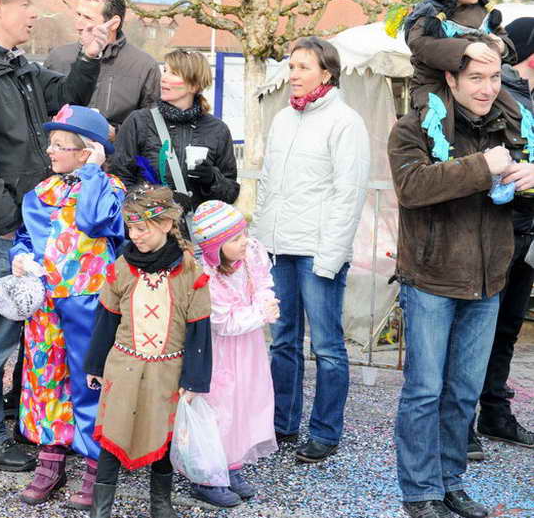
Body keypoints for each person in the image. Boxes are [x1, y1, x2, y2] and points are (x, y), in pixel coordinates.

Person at [0, 0, 115, 472]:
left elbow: (67, 99)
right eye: (24, 4)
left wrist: (90, 55)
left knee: (33, 328)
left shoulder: (16, 66)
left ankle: (20, 420)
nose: (34, 13)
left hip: (32, 226)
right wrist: (11, 226)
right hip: (4, 227)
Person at [388, 34, 534, 518]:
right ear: (451, 79)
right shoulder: (412, 127)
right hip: (431, 279)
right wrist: (481, 166)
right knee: (424, 392)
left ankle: (450, 483)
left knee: (464, 393)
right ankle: (420, 492)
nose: (487, 88)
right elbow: (411, 187)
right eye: (475, 78)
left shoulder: (512, 127)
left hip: (488, 282)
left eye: (493, 77)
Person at [254, 36, 370, 463]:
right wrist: (259, 241)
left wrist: (331, 256)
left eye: (303, 67)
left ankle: (325, 431)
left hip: (318, 250)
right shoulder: (283, 119)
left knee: (326, 346)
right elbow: (267, 184)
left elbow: (348, 193)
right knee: (282, 340)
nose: (294, 74)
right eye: (291, 66)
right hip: (278, 248)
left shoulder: (346, 122)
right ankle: (282, 422)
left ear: (327, 73)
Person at [9, 105, 125, 508]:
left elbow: (95, 222)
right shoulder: (43, 191)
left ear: (87, 151)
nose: (51, 151)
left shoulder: (109, 189)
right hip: (45, 303)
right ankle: (51, 459)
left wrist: (93, 173)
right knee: (44, 377)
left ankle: (96, 466)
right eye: (52, 143)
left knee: (89, 379)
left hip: (88, 300)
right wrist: (19, 258)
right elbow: (26, 237)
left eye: (61, 145)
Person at [84, 184, 212, 518]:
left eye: (142, 228)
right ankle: (101, 508)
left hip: (167, 372)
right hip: (123, 367)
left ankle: (161, 504)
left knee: (162, 436)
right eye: (130, 228)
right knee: (113, 434)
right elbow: (106, 319)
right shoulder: (121, 268)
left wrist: (195, 379)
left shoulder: (190, 273)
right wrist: (95, 364)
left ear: (167, 224)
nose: (134, 235)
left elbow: (199, 329)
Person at [467, 17, 534, 460]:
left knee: (508, 326)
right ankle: (461, 421)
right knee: (478, 327)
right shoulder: (498, 94)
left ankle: (494, 411)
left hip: (527, 227)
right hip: (496, 224)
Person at [187, 200, 279, 507]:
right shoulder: (207, 277)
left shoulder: (250, 254)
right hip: (221, 351)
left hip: (248, 345)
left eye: (244, 234)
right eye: (236, 238)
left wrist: (265, 301)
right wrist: (261, 314)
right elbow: (223, 322)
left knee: (243, 402)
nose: (245, 242)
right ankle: (207, 476)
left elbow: (263, 283)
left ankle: (231, 463)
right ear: (215, 247)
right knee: (219, 408)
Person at [399, 0, 524, 162]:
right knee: (437, 118)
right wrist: (464, 49)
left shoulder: (482, 11)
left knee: (517, 110)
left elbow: (504, 38)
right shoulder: (428, 13)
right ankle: (444, 160)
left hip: (482, 81)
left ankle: (522, 155)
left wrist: (501, 46)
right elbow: (420, 44)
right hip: (436, 84)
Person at [110, 49, 239, 232]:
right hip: (150, 233)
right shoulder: (139, 122)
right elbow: (119, 180)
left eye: (174, 73)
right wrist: (160, 204)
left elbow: (230, 193)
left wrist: (212, 179)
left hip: (198, 234)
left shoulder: (217, 130)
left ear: (194, 85)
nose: (164, 78)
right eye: (165, 71)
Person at [44, 0, 160, 136]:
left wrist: (116, 134)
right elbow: (38, 114)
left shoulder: (144, 66)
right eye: (78, 15)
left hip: (116, 151)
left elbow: (151, 127)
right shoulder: (58, 58)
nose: (78, 25)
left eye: (87, 18)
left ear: (114, 23)